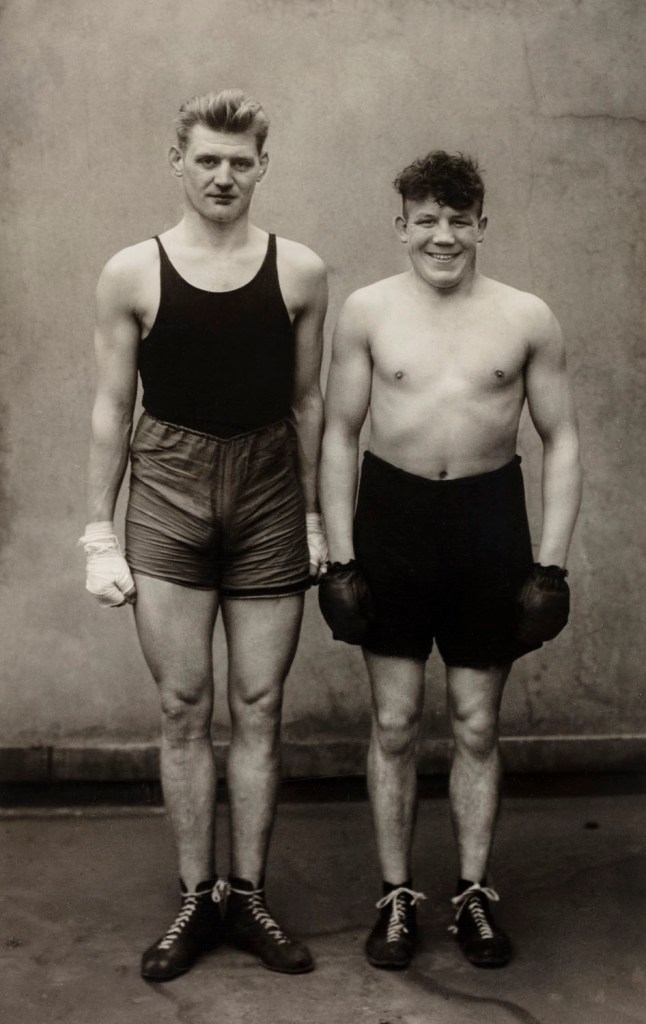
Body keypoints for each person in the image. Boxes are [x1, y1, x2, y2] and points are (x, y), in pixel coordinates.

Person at [79, 89, 328, 980]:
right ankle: (195, 897)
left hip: (267, 494)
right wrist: (97, 532)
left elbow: (308, 402)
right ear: (177, 161)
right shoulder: (132, 273)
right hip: (170, 491)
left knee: (259, 705)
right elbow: (113, 408)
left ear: (263, 166)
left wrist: (316, 513)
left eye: (240, 161)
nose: (224, 176)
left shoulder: (300, 271)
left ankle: (248, 896)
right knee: (184, 705)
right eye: (208, 159)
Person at [319, 151, 581, 970]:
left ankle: (472, 894)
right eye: (426, 220)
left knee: (476, 722)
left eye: (458, 220)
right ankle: (396, 897)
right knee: (395, 722)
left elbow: (563, 439)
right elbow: (338, 434)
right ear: (401, 227)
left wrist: (550, 567)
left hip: (487, 524)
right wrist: (339, 558)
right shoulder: (367, 311)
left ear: (482, 226)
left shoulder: (526, 316)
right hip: (392, 521)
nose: (443, 236)